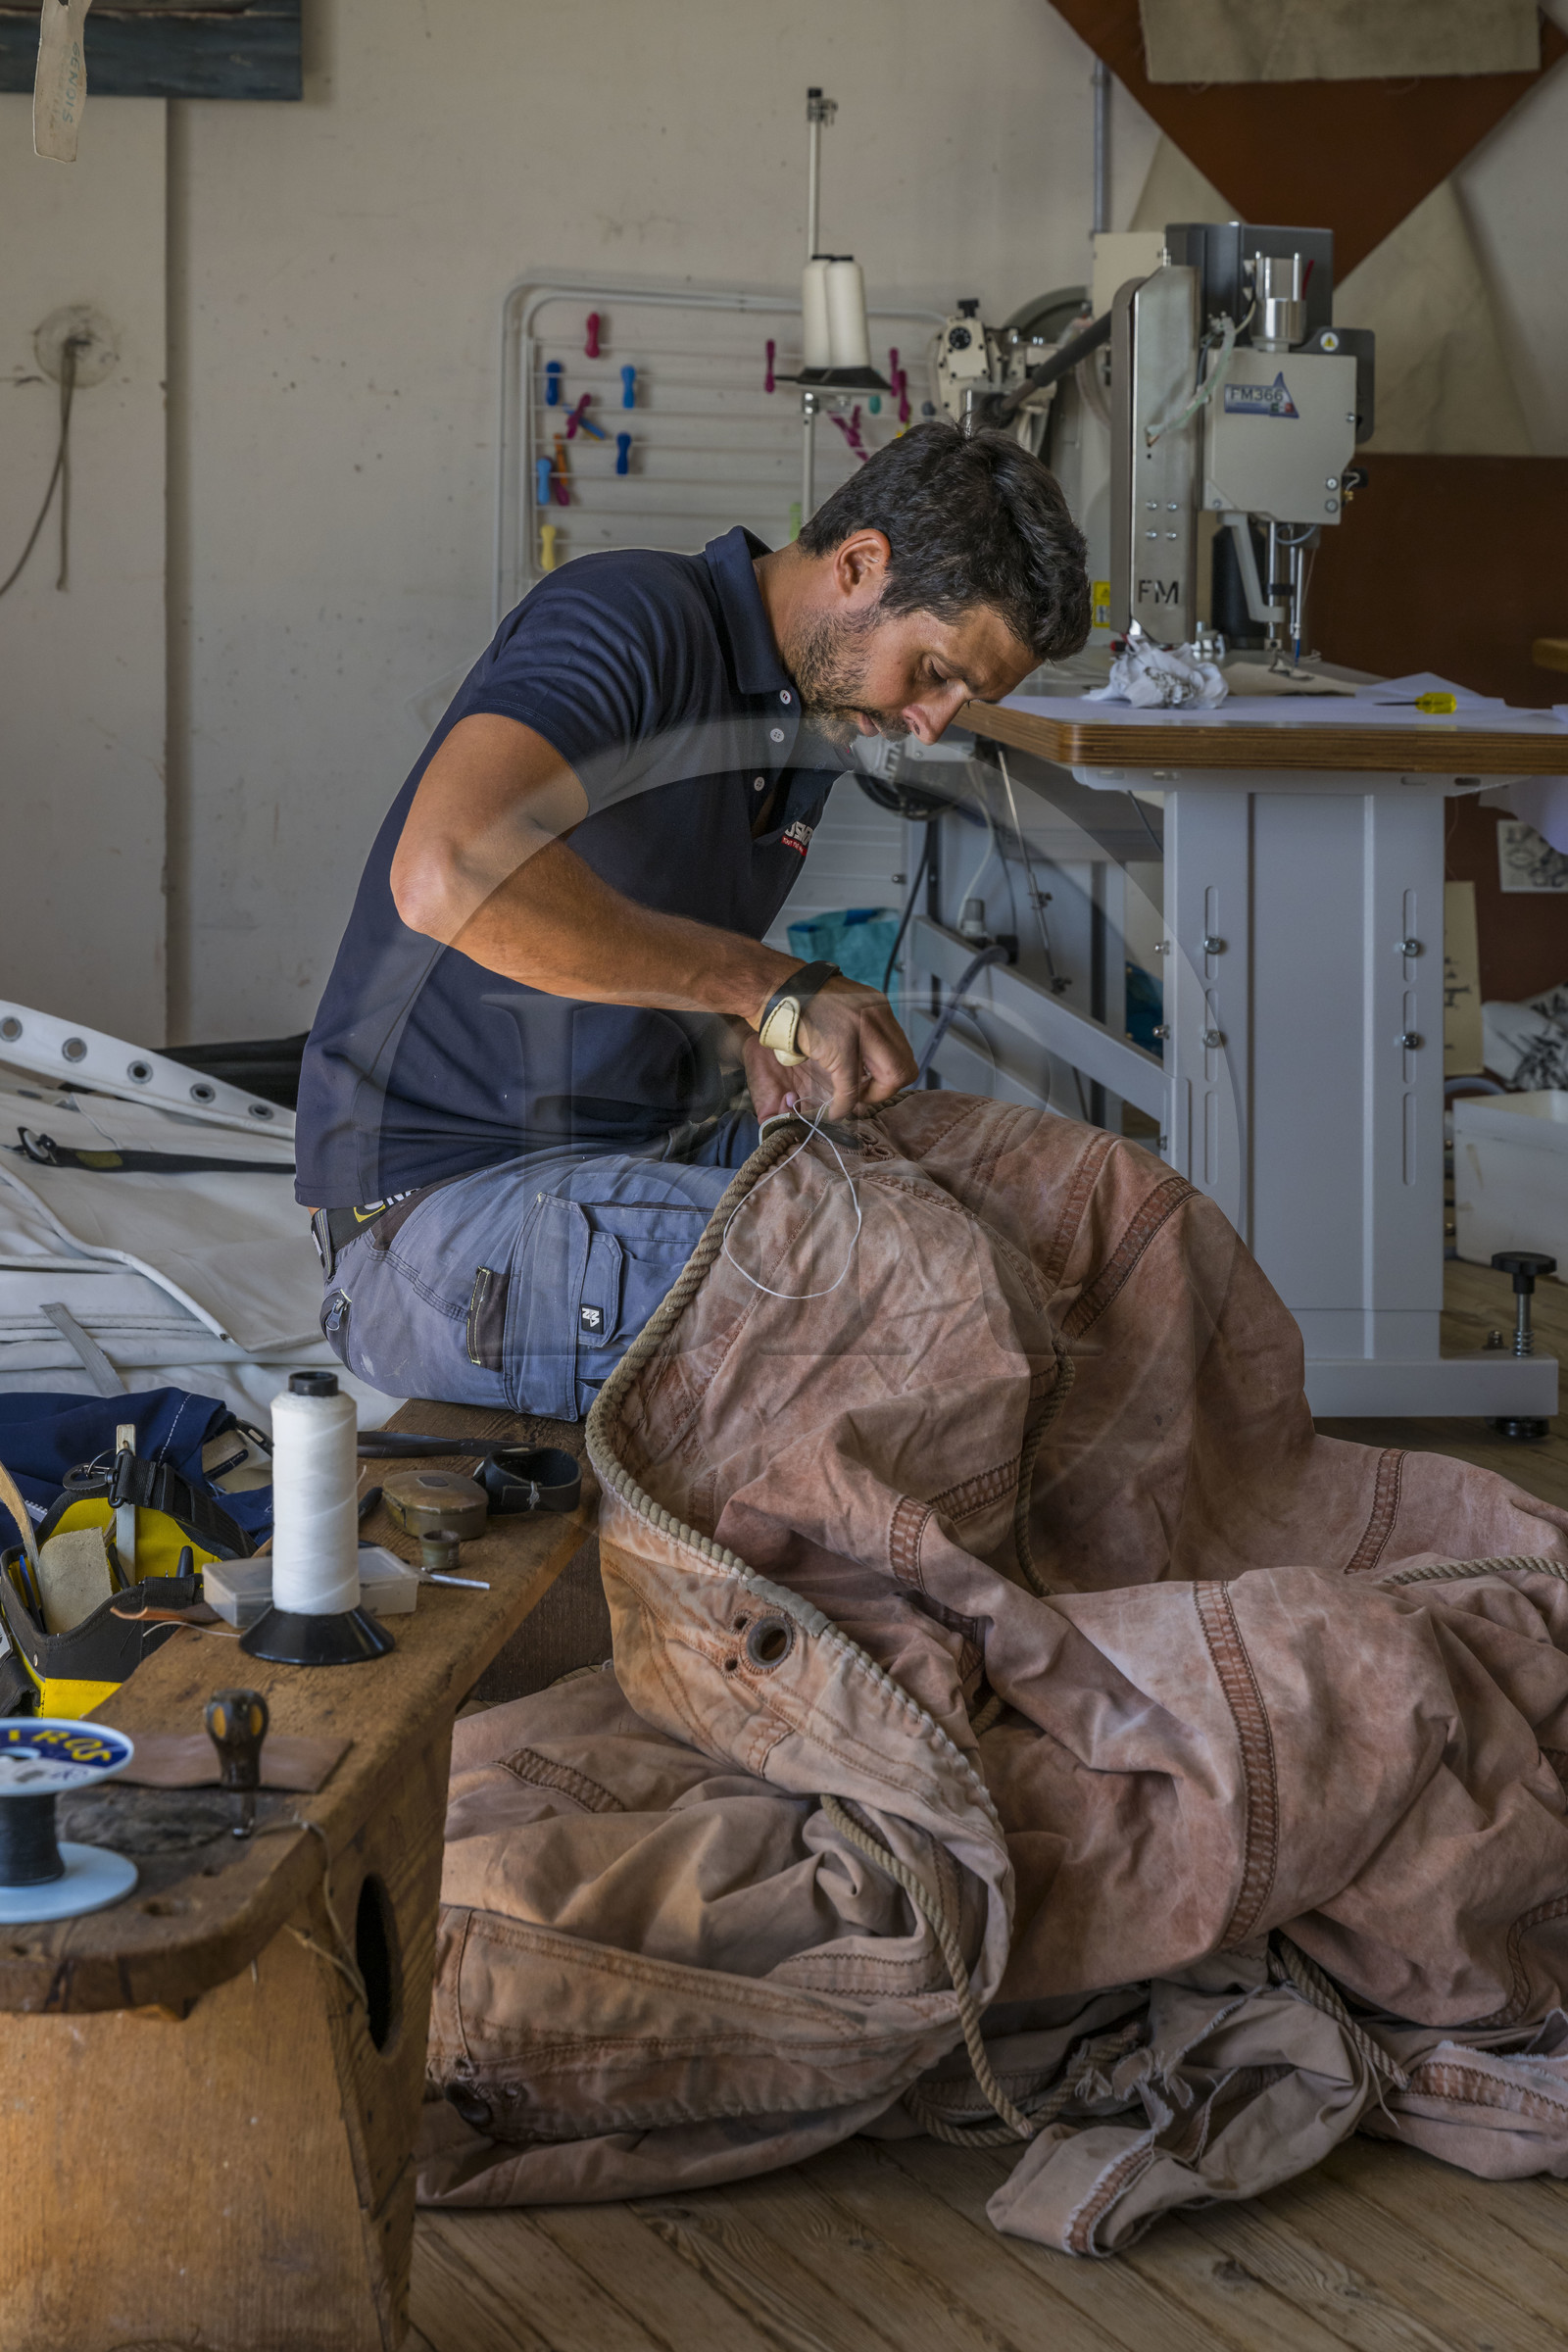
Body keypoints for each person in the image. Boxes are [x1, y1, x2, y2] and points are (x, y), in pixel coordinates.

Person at [295, 420, 1089, 1413]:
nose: (933, 723)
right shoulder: (633, 618)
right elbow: (446, 871)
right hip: (433, 1219)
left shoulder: (806, 725)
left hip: (617, 1159)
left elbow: (638, 928)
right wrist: (764, 985)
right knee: (934, 1313)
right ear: (859, 564)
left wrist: (741, 1034)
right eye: (933, 672)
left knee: (1041, 1216)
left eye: (964, 698)